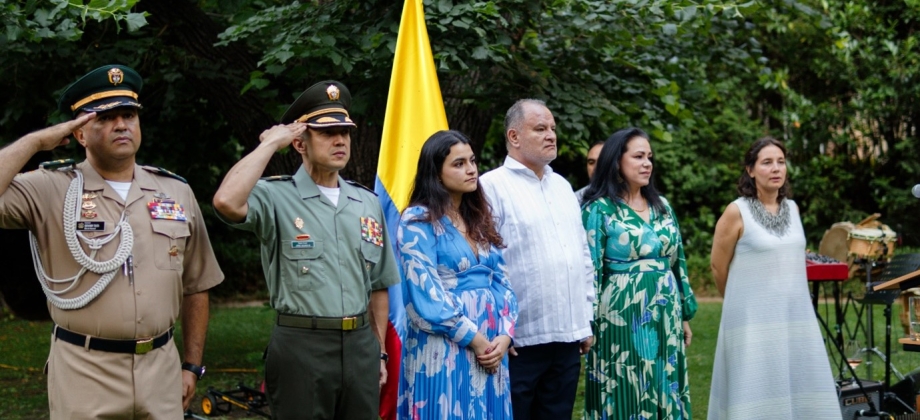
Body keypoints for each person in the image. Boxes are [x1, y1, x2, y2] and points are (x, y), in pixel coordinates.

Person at [0, 64, 224, 418]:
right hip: (85, 371)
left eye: (129, 115)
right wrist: (36, 142)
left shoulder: (175, 191)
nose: (121, 125)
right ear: (79, 134)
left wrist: (192, 365)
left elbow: (197, 284)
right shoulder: (50, 187)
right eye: (104, 117)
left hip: (160, 370)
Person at [212, 80, 400, 419]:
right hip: (302, 345)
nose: (341, 140)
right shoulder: (275, 196)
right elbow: (226, 201)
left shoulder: (366, 203)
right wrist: (270, 143)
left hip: (360, 346)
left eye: (345, 131)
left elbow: (379, 286)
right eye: (327, 133)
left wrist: (380, 352)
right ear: (299, 142)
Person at [708, 137, 840, 419]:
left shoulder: (793, 209)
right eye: (767, 162)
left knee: (799, 386)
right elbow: (718, 268)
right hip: (750, 320)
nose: (776, 168)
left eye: (780, 161)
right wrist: (741, 305)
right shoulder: (736, 211)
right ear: (750, 170)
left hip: (795, 316)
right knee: (754, 388)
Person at [479, 99, 595, 420]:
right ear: (514, 137)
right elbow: (484, 264)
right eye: (540, 129)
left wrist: (584, 318)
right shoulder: (490, 187)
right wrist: (500, 328)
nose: (551, 136)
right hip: (519, 339)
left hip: (567, 335)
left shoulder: (562, 186)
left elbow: (581, 256)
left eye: (553, 129)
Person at [396, 130, 518, 419]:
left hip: (490, 346)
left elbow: (503, 282)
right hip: (446, 345)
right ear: (436, 173)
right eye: (459, 163)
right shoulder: (417, 220)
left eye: (472, 161)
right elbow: (425, 293)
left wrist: (505, 336)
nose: (471, 169)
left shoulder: (478, 220)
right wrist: (474, 340)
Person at [580, 127, 697, 419]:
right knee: (625, 386)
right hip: (619, 317)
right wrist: (586, 323)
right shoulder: (599, 209)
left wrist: (683, 313)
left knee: (664, 383)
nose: (647, 163)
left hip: (666, 313)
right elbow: (589, 270)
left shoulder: (663, 207)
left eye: (650, 157)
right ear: (617, 161)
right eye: (638, 156)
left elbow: (677, 262)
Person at [574, 140, 604, 204]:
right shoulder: (576, 199)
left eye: (601, 161)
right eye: (591, 162)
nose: (596, 167)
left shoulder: (627, 195)